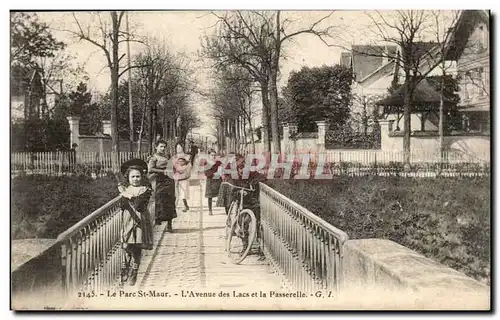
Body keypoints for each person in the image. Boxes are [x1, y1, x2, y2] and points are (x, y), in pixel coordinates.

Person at [118, 159, 154, 286]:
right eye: (132, 176)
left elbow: (139, 205)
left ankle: (134, 271)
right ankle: (125, 267)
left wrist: (128, 196)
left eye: (138, 176)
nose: (135, 179)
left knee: (137, 247)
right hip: (128, 219)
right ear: (128, 177)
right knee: (126, 245)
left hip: (141, 220)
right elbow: (122, 205)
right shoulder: (125, 188)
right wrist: (124, 195)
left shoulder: (146, 189)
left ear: (142, 177)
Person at [147, 140, 177, 231]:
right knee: (160, 200)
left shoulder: (167, 156)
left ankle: (169, 224)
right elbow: (150, 169)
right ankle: (158, 220)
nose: (163, 148)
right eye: (161, 146)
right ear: (156, 147)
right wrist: (163, 171)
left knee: (170, 201)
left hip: (170, 180)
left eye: (164, 146)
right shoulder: (153, 158)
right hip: (160, 180)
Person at [204, 149, 222, 216]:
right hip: (210, 180)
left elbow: (222, 169)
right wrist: (214, 174)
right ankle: (210, 210)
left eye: (214, 155)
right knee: (210, 196)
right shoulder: (207, 163)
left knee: (222, 193)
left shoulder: (218, 163)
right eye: (212, 155)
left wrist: (220, 172)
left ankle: (226, 208)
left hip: (218, 180)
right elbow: (206, 173)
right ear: (209, 155)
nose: (213, 156)